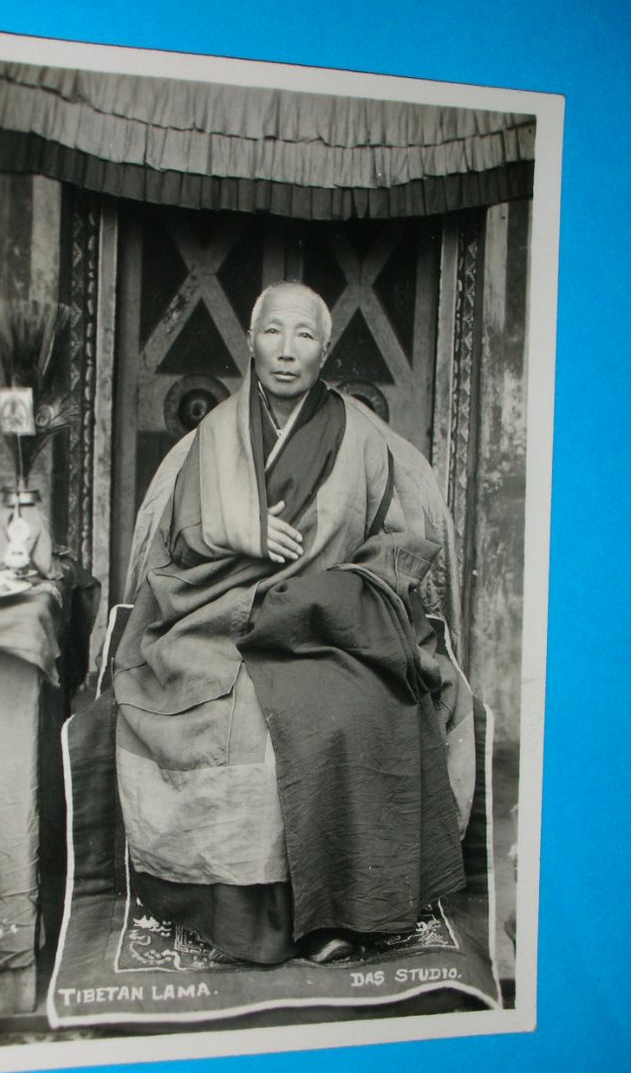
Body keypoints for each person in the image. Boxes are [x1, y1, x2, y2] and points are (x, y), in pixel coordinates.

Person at [112, 281, 475, 965]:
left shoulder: (367, 439)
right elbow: (178, 547)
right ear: (249, 343)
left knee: (354, 707)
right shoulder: (209, 439)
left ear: (325, 349)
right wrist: (240, 532)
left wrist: (327, 594)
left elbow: (395, 545)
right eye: (272, 333)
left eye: (304, 335)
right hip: (216, 617)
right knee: (240, 713)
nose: (286, 350)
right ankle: (243, 914)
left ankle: (349, 912)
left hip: (326, 623)